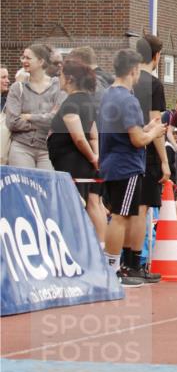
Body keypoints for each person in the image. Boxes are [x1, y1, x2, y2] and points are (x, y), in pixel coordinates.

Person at [98, 49, 166, 286]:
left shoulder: (108, 94)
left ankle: (116, 266)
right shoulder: (128, 99)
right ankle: (113, 268)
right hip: (126, 164)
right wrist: (155, 132)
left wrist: (146, 128)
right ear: (134, 70)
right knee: (121, 217)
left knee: (121, 215)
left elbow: (130, 132)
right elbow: (137, 140)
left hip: (112, 160)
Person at [47, 58, 105, 242]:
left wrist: (93, 158)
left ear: (70, 78)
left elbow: (79, 137)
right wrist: (96, 156)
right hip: (85, 161)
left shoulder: (71, 103)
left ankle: (84, 246)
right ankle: (101, 248)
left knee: (79, 204)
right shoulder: (89, 101)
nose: (59, 78)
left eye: (61, 75)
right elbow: (93, 135)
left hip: (74, 162)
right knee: (95, 203)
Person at [132, 35, 171, 275]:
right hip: (145, 150)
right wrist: (165, 161)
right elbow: (155, 123)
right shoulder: (153, 84)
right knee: (142, 208)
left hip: (125, 148)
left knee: (124, 211)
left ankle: (124, 261)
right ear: (156, 56)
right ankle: (136, 263)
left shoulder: (127, 80)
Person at [4, 43, 61, 169]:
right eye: (23, 57)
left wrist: (29, 117)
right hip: (21, 147)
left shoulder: (56, 87)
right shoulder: (17, 88)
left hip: (47, 149)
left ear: (40, 61)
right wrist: (43, 120)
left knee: (46, 187)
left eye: (28, 58)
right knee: (24, 187)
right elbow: (12, 122)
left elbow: (57, 121)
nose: (24, 61)